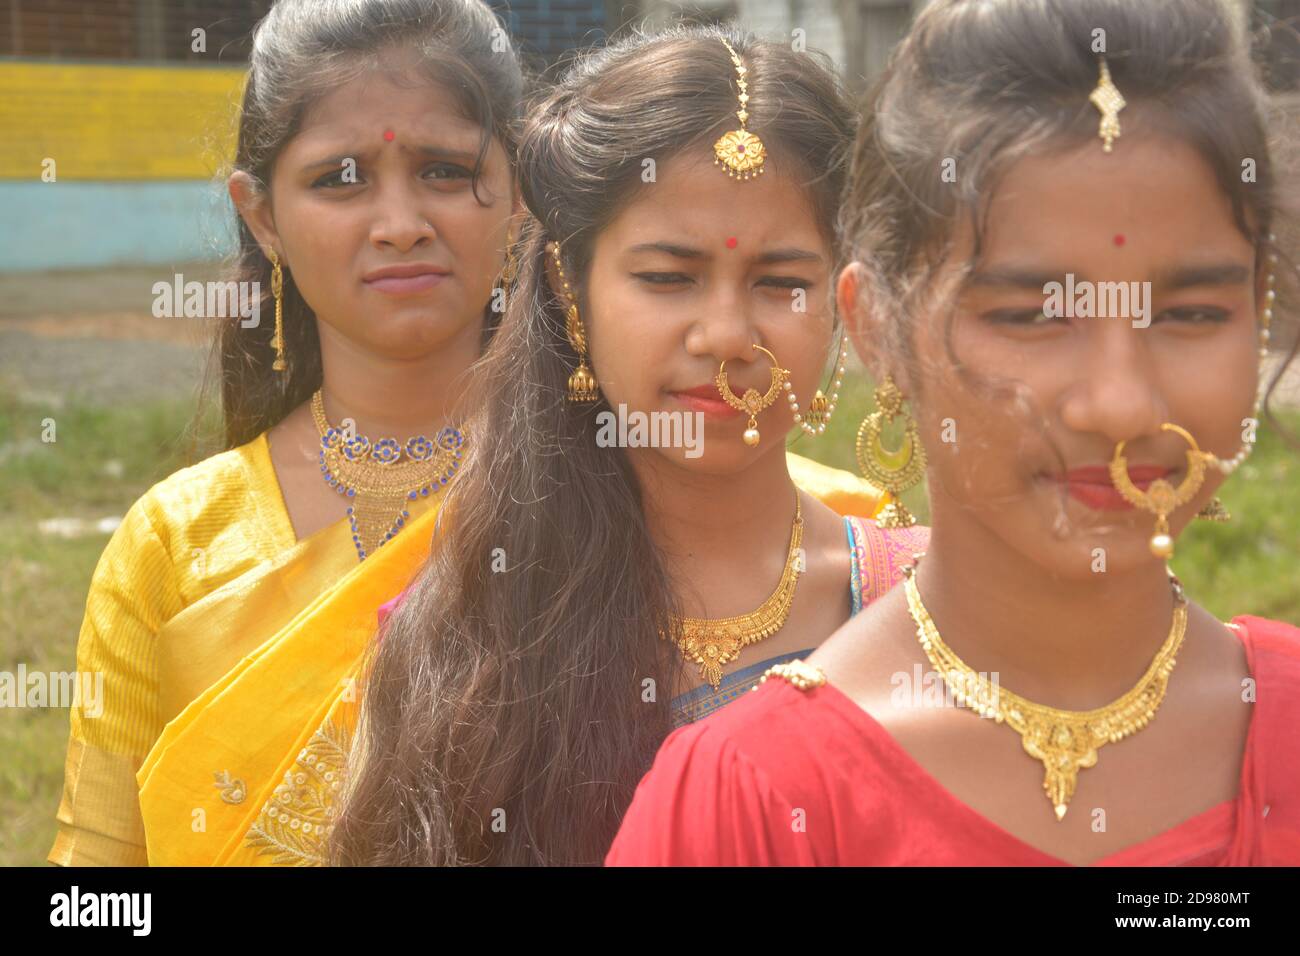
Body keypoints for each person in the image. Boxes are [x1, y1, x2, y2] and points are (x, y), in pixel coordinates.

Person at [606, 0, 1300, 867]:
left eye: (1193, 312)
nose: (1123, 407)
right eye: (1033, 314)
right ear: (879, 331)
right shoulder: (750, 803)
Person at [328, 23, 926, 867]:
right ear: (570, 288)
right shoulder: (469, 631)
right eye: (666, 278)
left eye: (782, 283)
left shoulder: (927, 615)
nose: (726, 335)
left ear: (845, 302)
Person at [48, 0, 525, 866]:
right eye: (339, 177)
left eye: (446, 171)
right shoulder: (176, 545)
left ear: (519, 195)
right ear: (262, 216)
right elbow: (93, 886)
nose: (399, 222)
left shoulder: (609, 496)